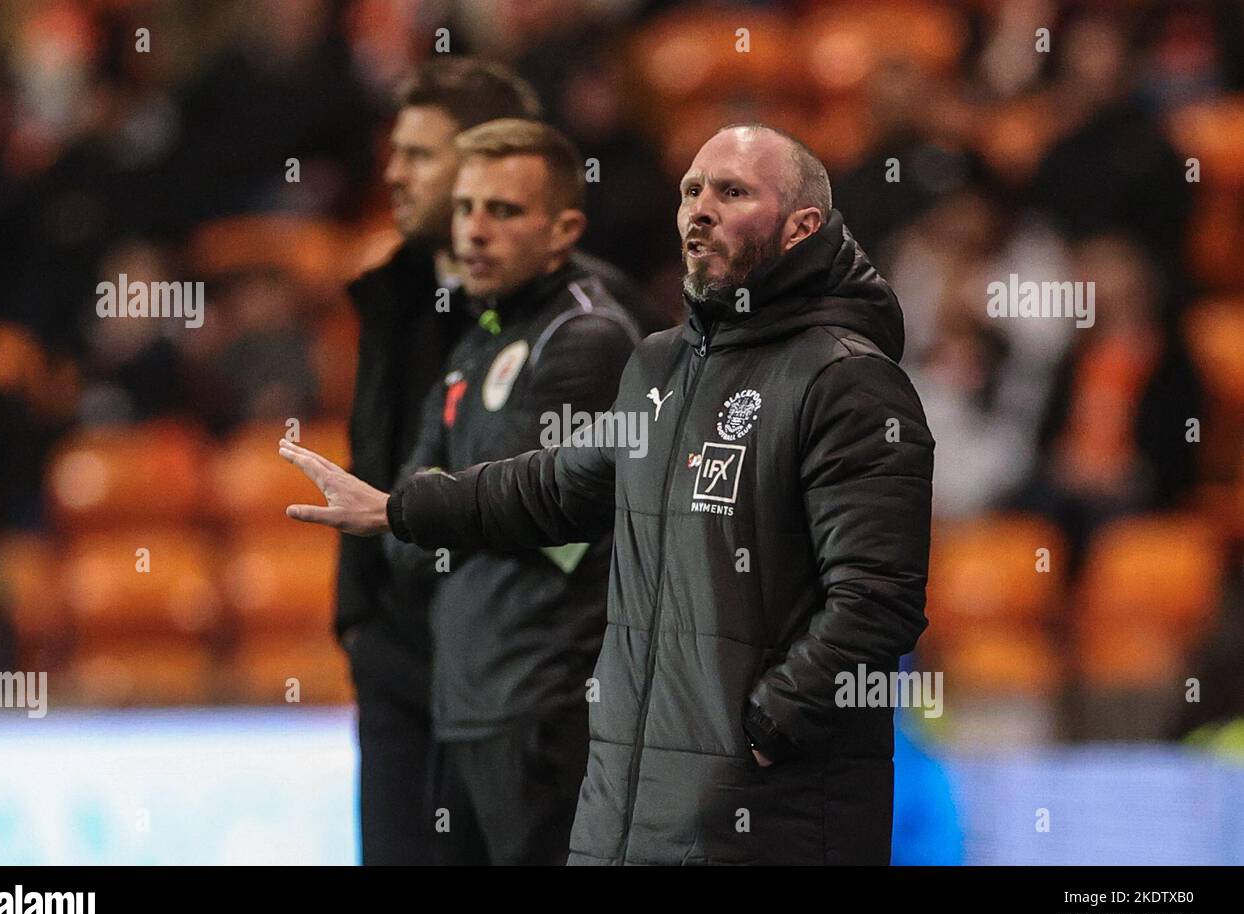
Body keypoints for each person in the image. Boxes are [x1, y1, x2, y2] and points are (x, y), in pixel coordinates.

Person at [287, 124, 935, 865]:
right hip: (623, 816)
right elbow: (553, 483)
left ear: (802, 227)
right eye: (692, 189)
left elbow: (877, 602)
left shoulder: (849, 380)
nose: (700, 208)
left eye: (732, 192)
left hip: (767, 819)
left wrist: (764, 729)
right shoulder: (660, 367)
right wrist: (398, 507)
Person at [384, 118, 640, 864]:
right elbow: (414, 525)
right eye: (465, 208)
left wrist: (442, 511)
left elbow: (538, 515)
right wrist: (440, 512)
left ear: (563, 230)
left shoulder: (587, 340)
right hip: (469, 704)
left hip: (548, 708)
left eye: (503, 210)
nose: (475, 231)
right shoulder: (477, 341)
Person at [335, 58, 541, 865]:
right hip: (396, 668)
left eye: (419, 154)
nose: (393, 173)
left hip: (511, 680)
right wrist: (357, 620)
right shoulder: (388, 295)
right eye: (395, 152)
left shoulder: (571, 315)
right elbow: (368, 457)